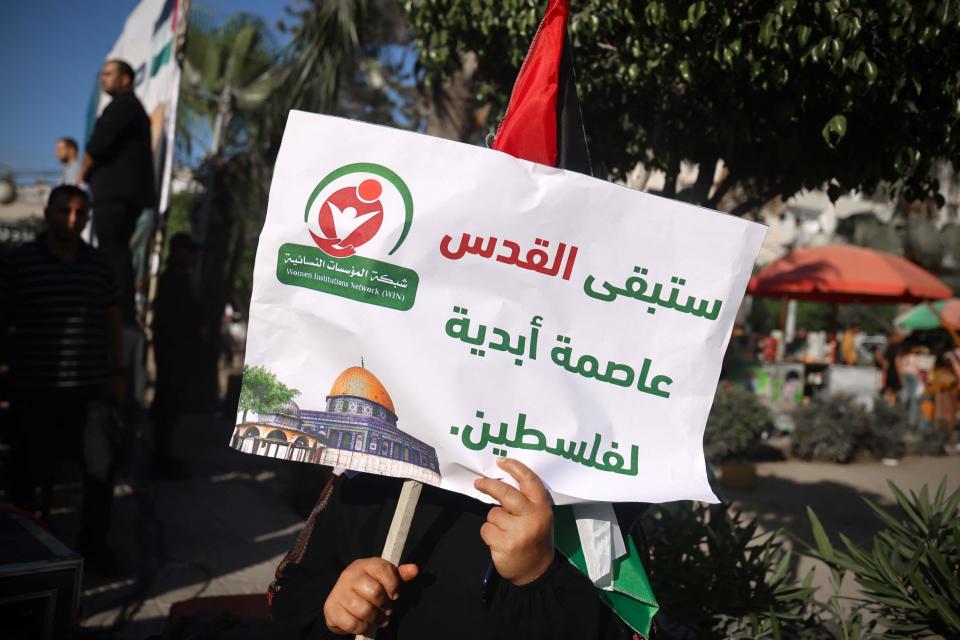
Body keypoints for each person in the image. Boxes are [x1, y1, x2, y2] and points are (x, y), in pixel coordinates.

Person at [270, 458, 642, 639]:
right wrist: (335, 609)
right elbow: (290, 596)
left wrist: (537, 576)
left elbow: (624, 627)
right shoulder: (370, 469)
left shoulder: (597, 494)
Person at [0, 185, 125, 572]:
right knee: (28, 474)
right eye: (64, 211)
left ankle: (95, 549)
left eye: (80, 213)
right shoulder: (21, 262)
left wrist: (120, 370)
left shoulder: (99, 263)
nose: (73, 219)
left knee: (100, 470)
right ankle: (27, 555)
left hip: (91, 390)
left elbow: (113, 319)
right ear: (48, 213)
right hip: (35, 386)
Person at [79, 59, 155, 325]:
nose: (103, 78)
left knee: (113, 255)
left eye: (109, 74)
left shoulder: (123, 106)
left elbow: (97, 147)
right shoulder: (131, 108)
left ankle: (119, 318)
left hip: (115, 195)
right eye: (102, 74)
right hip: (121, 195)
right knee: (115, 253)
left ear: (126, 79)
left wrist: (80, 179)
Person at [151, 232, 205, 476]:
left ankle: (164, 457)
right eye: (190, 252)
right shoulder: (171, 280)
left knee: (172, 410)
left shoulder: (181, 279)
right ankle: (161, 461)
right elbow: (170, 321)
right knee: (166, 408)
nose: (194, 257)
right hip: (172, 356)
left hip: (178, 356)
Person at [877, 333, 903, 406]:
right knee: (892, 392)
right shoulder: (892, 347)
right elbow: (897, 363)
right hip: (893, 373)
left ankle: (886, 406)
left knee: (887, 391)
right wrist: (901, 378)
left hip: (889, 373)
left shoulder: (890, 347)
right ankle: (890, 407)